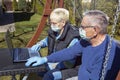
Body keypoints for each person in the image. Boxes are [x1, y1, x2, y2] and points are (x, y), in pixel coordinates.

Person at [25, 10, 120, 80]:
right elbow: (69, 52)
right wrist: (45, 59)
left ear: (95, 30)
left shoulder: (108, 54)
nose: (80, 30)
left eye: (83, 27)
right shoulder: (86, 42)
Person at [30, 8, 80, 77]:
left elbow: (70, 63)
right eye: (50, 22)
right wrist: (40, 44)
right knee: (39, 71)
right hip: (53, 60)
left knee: (49, 76)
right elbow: (49, 39)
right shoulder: (55, 31)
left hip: (68, 67)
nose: (52, 25)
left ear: (63, 23)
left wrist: (54, 66)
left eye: (54, 23)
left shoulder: (73, 38)